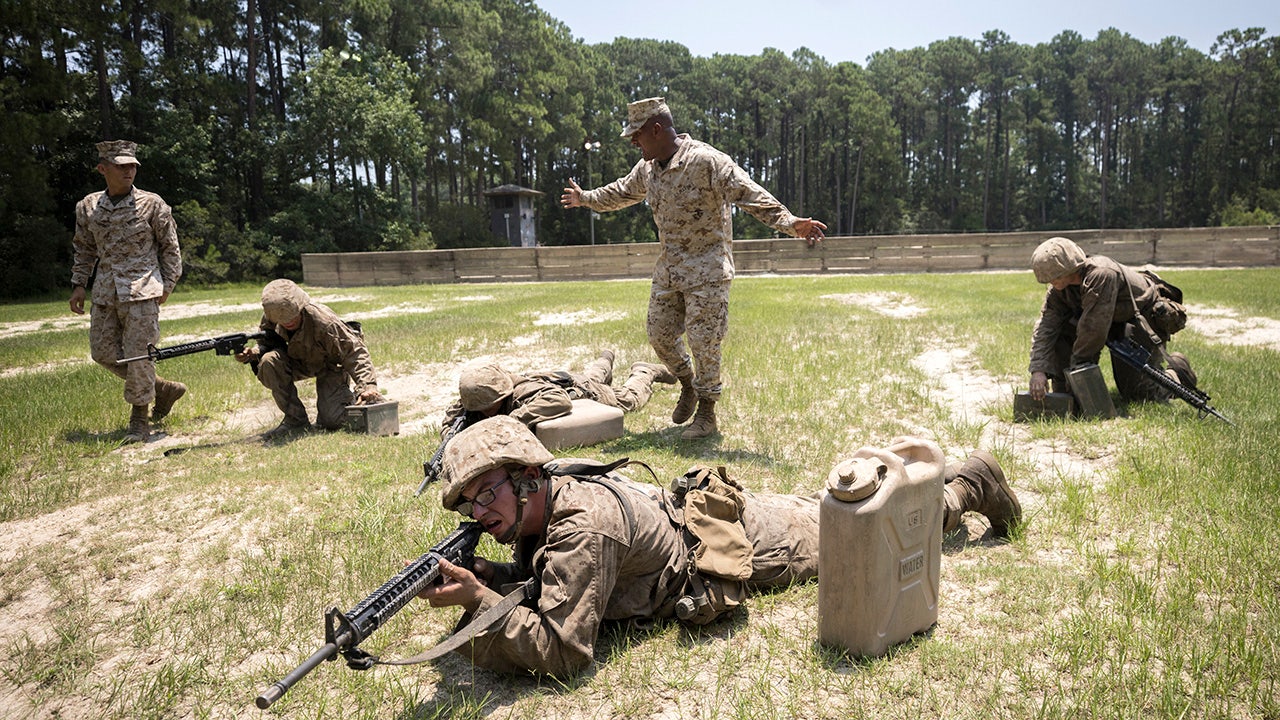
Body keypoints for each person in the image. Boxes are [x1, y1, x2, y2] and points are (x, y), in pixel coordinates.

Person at [417, 415, 1021, 676]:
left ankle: (967, 484)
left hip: (741, 544)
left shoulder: (583, 524)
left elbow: (562, 652)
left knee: (862, 532)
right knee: (839, 512)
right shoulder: (540, 508)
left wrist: (477, 603)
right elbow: (548, 588)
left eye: (485, 493)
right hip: (697, 519)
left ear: (527, 476)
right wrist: (490, 577)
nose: (479, 511)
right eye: (468, 503)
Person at [560, 97, 827, 440]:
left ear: (657, 130)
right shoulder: (648, 169)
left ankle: (707, 413)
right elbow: (622, 192)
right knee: (659, 336)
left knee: (705, 343)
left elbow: (750, 194)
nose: (633, 142)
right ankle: (686, 381)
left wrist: (791, 223)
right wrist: (587, 198)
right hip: (670, 271)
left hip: (708, 272)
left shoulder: (707, 161)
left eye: (637, 135)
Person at [68, 140, 185, 444]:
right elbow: (84, 248)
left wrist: (168, 284)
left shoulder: (151, 203)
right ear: (102, 168)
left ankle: (139, 421)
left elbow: (170, 247)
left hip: (143, 290)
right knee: (103, 353)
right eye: (121, 166)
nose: (129, 171)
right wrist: (79, 284)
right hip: (105, 291)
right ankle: (163, 389)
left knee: (139, 355)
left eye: (132, 165)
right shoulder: (89, 206)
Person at [1027, 237, 1196, 404]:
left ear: (1069, 268)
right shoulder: (1060, 289)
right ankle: (1067, 387)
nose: (1051, 282)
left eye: (1055, 276)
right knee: (1066, 393)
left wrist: (1078, 371)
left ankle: (1177, 373)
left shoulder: (1101, 275)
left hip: (1139, 318)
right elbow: (1046, 326)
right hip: (1110, 320)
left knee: (1140, 395)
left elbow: (1093, 329)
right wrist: (1039, 369)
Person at [234, 279, 384, 437]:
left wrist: (367, 386)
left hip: (329, 365)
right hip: (298, 361)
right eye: (282, 320)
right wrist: (252, 354)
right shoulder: (272, 317)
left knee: (331, 421)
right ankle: (295, 420)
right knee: (269, 361)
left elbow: (354, 351)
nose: (288, 322)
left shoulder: (324, 321)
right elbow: (267, 345)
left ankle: (349, 401)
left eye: (292, 316)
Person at [440, 351, 677, 434]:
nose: (483, 414)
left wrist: (513, 420)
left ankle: (645, 371)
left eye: (487, 409)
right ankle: (605, 360)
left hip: (583, 393)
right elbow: (452, 417)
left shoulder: (521, 393)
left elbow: (560, 401)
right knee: (592, 376)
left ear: (501, 396)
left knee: (629, 400)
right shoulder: (478, 392)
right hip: (567, 380)